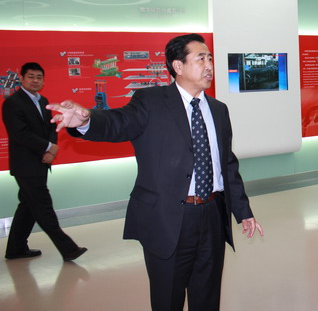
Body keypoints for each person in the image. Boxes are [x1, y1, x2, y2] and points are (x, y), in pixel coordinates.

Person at [47, 34, 263, 311]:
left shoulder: (219, 110)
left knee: (208, 295)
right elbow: (118, 122)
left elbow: (227, 164)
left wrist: (243, 211)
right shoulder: (151, 101)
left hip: (212, 212)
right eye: (201, 59)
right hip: (168, 217)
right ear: (178, 66)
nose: (209, 65)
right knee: (167, 297)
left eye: (210, 58)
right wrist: (86, 120)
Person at [2, 62, 86, 261]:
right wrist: (48, 147)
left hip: (42, 161)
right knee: (42, 206)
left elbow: (50, 127)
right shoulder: (13, 102)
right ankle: (68, 249)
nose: (35, 81)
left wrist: (51, 149)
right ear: (21, 78)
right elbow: (19, 133)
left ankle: (15, 248)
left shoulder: (43, 101)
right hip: (25, 164)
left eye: (39, 77)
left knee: (28, 206)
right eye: (31, 76)